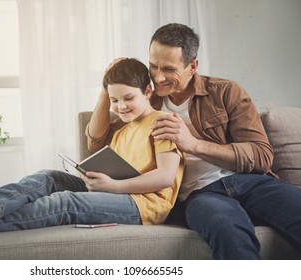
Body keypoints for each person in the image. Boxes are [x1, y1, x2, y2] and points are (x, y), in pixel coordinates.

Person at [88, 23, 301, 260]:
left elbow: (261, 155)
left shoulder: (226, 92)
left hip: (249, 182)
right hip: (200, 195)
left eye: (169, 69)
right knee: (227, 229)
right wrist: (105, 88)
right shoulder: (145, 100)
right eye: (153, 66)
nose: (158, 77)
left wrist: (193, 144)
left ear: (192, 66)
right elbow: (96, 144)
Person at [0, 58, 183, 238]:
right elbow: (120, 168)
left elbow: (165, 177)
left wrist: (112, 186)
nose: (121, 107)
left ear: (148, 92)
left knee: (66, 202)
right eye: (114, 100)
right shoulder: (123, 128)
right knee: (49, 177)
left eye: (128, 98)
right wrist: (96, 178)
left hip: (143, 207)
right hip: (119, 192)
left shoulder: (162, 122)